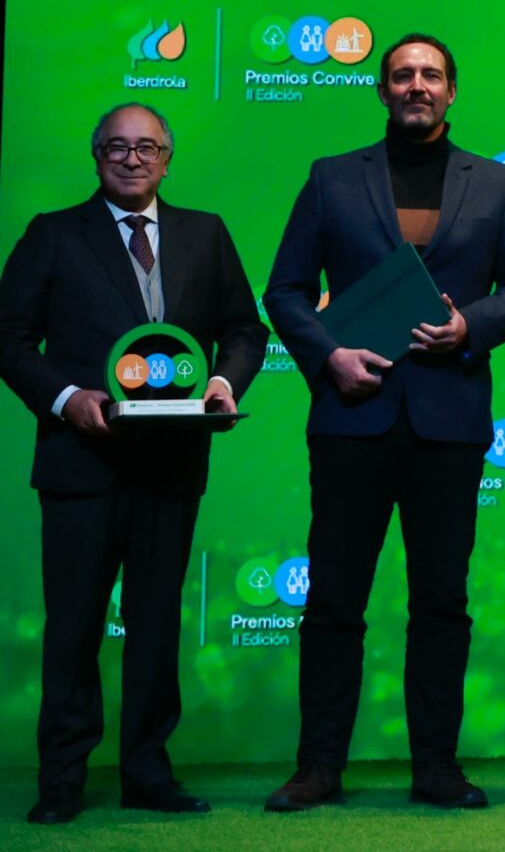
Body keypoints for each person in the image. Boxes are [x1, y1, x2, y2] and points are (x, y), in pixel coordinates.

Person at [261, 34, 505, 812]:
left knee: (441, 601)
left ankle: (437, 767)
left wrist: (470, 327)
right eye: (402, 75)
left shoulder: (497, 184)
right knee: (334, 601)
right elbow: (284, 290)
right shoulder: (330, 178)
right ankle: (318, 766)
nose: (417, 85)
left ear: (453, 91)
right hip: (351, 413)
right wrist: (328, 355)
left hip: (448, 418)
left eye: (431, 75)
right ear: (382, 91)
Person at [0, 105, 264, 824]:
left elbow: (245, 328)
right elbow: (11, 338)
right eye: (116, 146)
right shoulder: (53, 233)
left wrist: (225, 381)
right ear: (96, 157)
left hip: (172, 465)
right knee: (74, 625)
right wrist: (64, 397)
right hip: (80, 462)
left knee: (154, 624)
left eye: (146, 146)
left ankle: (148, 770)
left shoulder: (204, 233)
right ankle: (62, 777)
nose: (131, 157)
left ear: (167, 159)